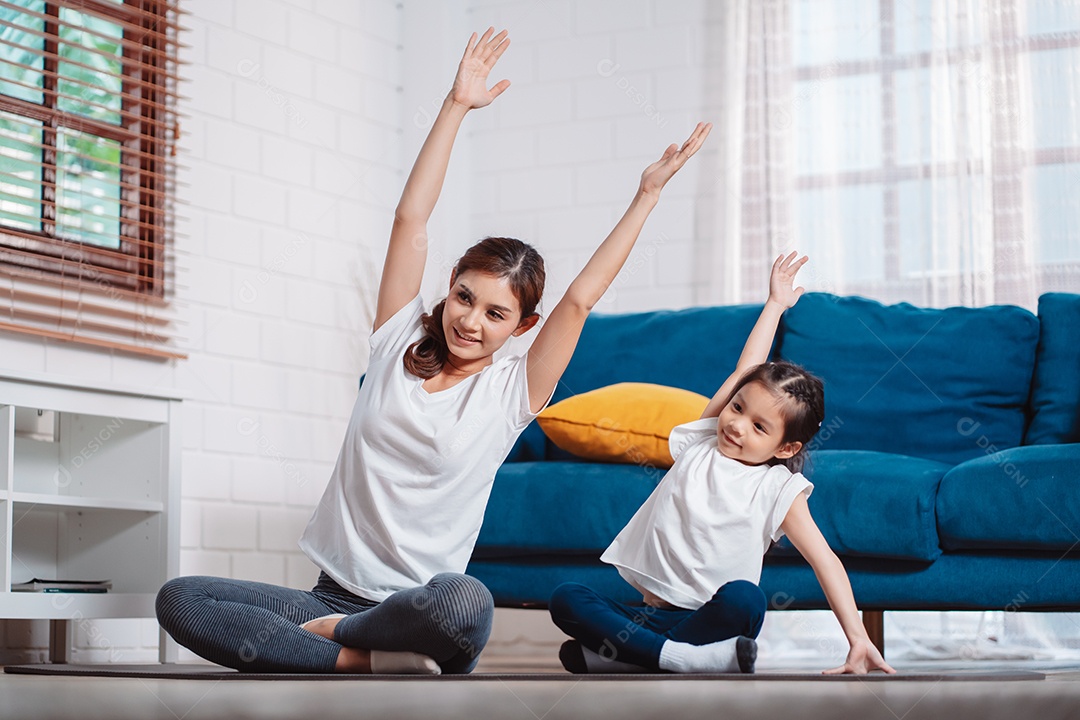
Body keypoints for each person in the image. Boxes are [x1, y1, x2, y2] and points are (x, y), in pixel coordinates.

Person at [156, 27, 713, 674]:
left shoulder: (513, 393)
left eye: (496, 313)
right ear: (448, 289)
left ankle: (348, 641)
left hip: (424, 607)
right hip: (330, 596)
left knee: (465, 600)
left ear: (522, 327)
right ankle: (358, 658)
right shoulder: (395, 341)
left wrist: (646, 195)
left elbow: (580, 299)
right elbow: (410, 221)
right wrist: (455, 106)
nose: (472, 321)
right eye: (465, 299)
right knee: (181, 599)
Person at [548, 253, 897, 676]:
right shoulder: (703, 440)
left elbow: (826, 560)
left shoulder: (778, 489)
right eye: (737, 408)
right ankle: (675, 658)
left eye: (759, 427)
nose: (736, 426)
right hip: (651, 616)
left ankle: (634, 658)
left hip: (715, 620)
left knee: (746, 599)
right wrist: (773, 306)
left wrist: (858, 637)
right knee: (567, 598)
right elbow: (745, 369)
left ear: (786, 449)